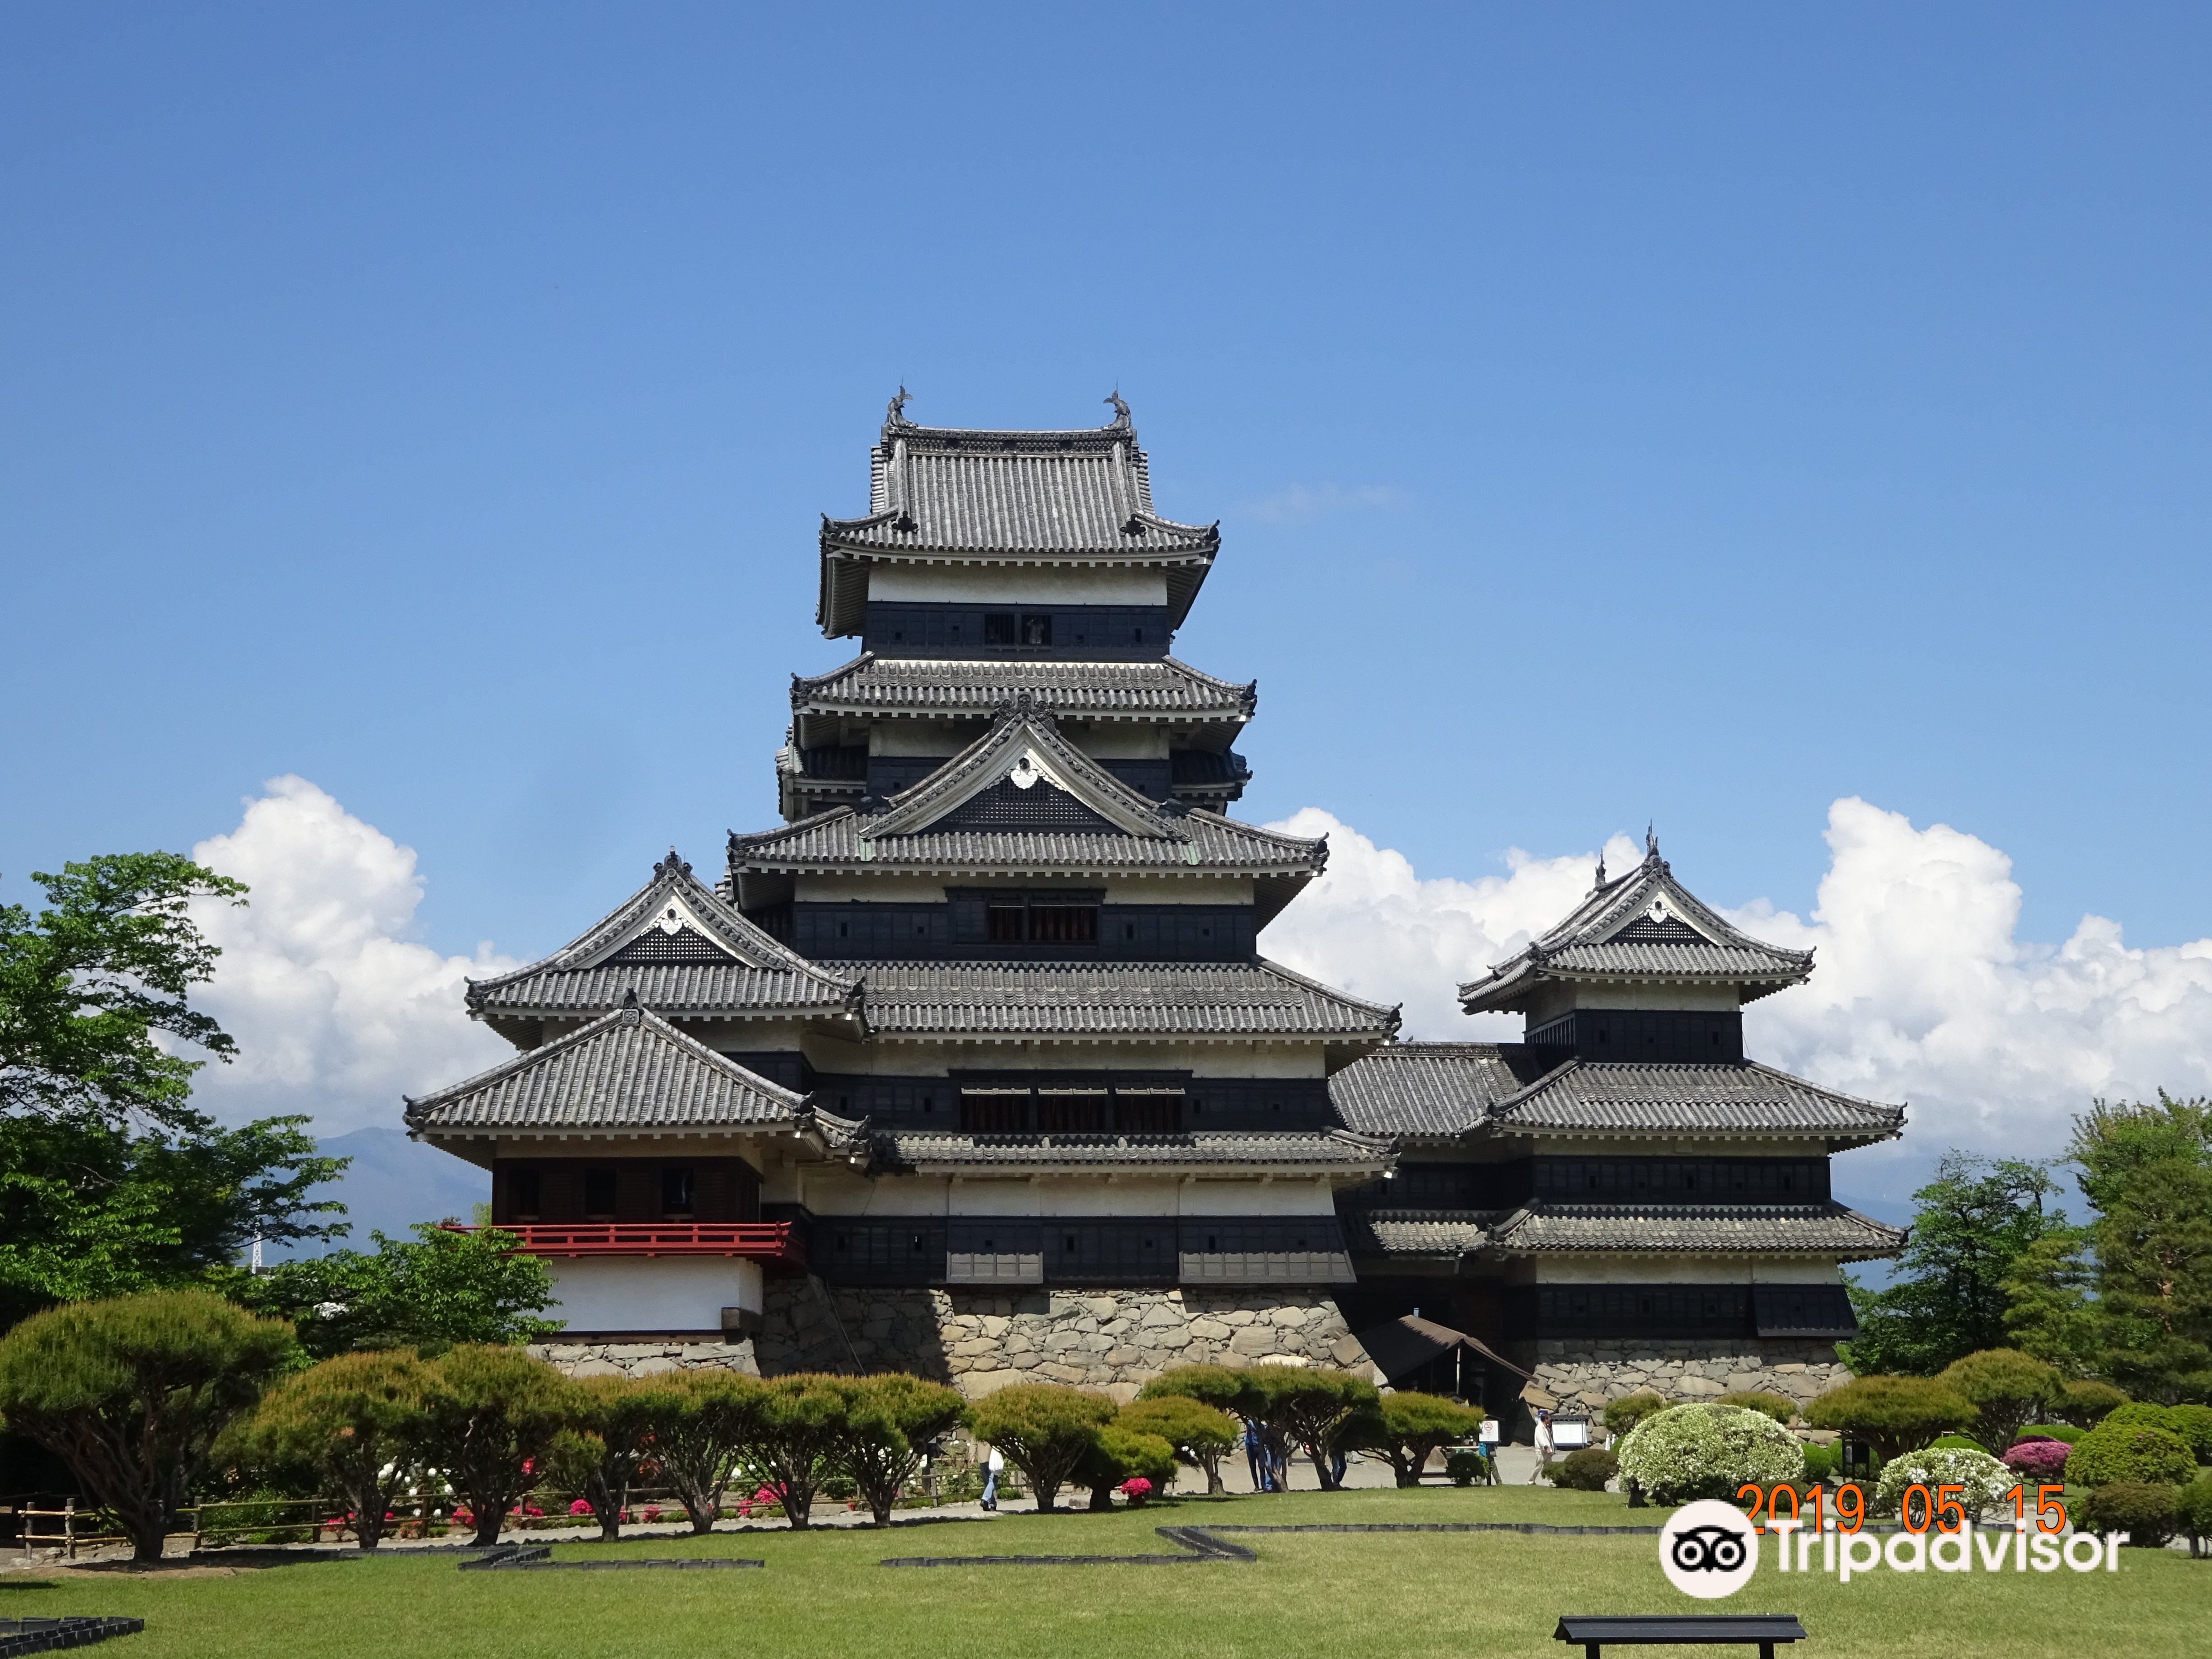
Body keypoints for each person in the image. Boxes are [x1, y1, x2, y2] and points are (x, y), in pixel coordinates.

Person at [1528, 1408, 1555, 1484]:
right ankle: (1531, 1481)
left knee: (1549, 1467)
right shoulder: (1540, 1428)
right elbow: (1541, 1439)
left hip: (1547, 1452)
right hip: (1542, 1451)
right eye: (1548, 1420)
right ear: (1545, 1419)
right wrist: (1546, 1448)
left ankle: (1551, 1481)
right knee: (1538, 1467)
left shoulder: (1545, 1428)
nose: (1549, 1421)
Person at [1244, 1422, 1268, 1491]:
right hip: (1250, 1447)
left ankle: (1263, 1485)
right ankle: (1256, 1485)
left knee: (1262, 1466)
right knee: (1253, 1467)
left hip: (1260, 1447)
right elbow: (1248, 1428)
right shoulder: (1250, 1423)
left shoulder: (1262, 1426)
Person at [980, 1445, 1003, 1511]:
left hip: (982, 1458)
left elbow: (974, 1443)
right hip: (993, 1457)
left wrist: (972, 1456)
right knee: (993, 1481)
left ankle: (992, 1504)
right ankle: (985, 1499)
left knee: (988, 1483)